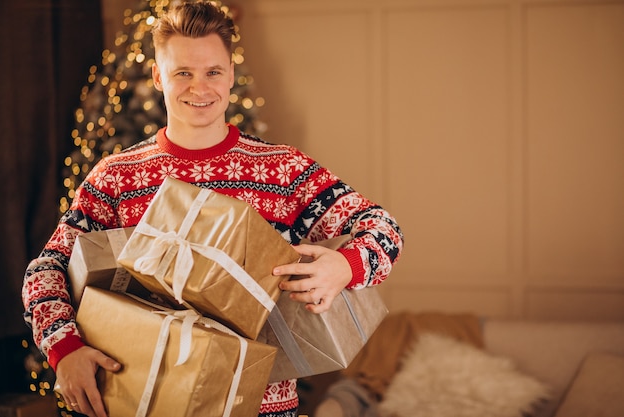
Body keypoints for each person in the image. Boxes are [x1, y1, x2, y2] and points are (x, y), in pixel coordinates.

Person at [22, 1, 403, 416]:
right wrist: (64, 349)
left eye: (212, 72)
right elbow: (47, 270)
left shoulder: (282, 169)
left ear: (231, 75)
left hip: (262, 408)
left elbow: (383, 228)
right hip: (146, 402)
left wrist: (344, 266)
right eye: (182, 72)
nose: (198, 88)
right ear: (158, 76)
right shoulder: (117, 176)